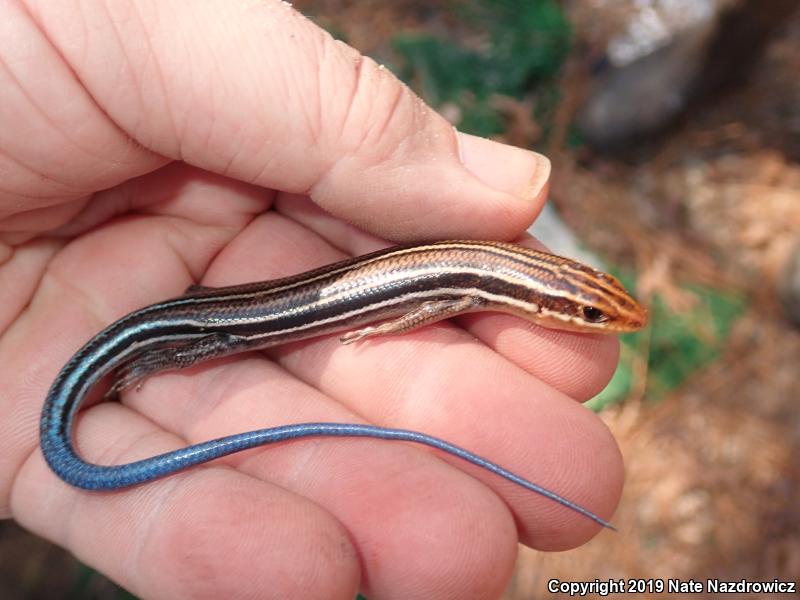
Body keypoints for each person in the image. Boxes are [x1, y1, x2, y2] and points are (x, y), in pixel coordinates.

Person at [0, 2, 623, 598]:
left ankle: (140, 356)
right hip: (236, 322)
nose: (604, 323)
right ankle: (151, 361)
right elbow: (427, 306)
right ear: (546, 301)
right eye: (594, 312)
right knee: (201, 345)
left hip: (230, 297)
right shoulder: (471, 282)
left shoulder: (482, 275)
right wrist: (386, 327)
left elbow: (432, 301)